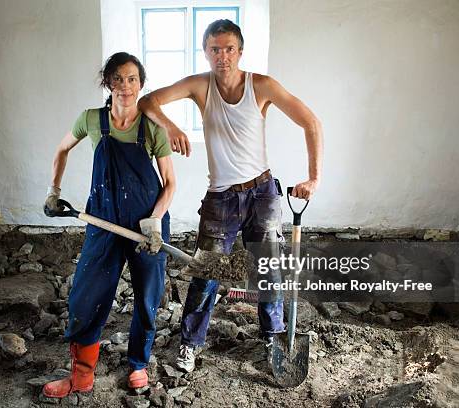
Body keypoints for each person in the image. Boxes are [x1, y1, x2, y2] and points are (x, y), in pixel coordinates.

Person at [138, 19, 323, 373]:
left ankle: (274, 338)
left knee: (269, 270)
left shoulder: (262, 86)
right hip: (221, 198)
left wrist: (314, 179)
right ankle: (190, 344)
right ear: (206, 52)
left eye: (229, 49)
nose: (222, 56)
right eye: (214, 49)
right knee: (207, 272)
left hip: (263, 193)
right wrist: (172, 125)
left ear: (240, 51)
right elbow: (148, 101)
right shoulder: (200, 85)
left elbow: (311, 122)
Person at [42, 52, 176, 396]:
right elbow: (61, 150)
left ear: (141, 84)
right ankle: (82, 375)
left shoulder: (152, 128)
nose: (126, 86)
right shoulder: (91, 120)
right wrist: (53, 191)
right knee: (87, 295)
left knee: (148, 296)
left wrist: (156, 220)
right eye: (118, 79)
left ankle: (138, 365)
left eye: (132, 79)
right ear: (108, 83)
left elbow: (170, 183)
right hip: (102, 221)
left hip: (147, 226)